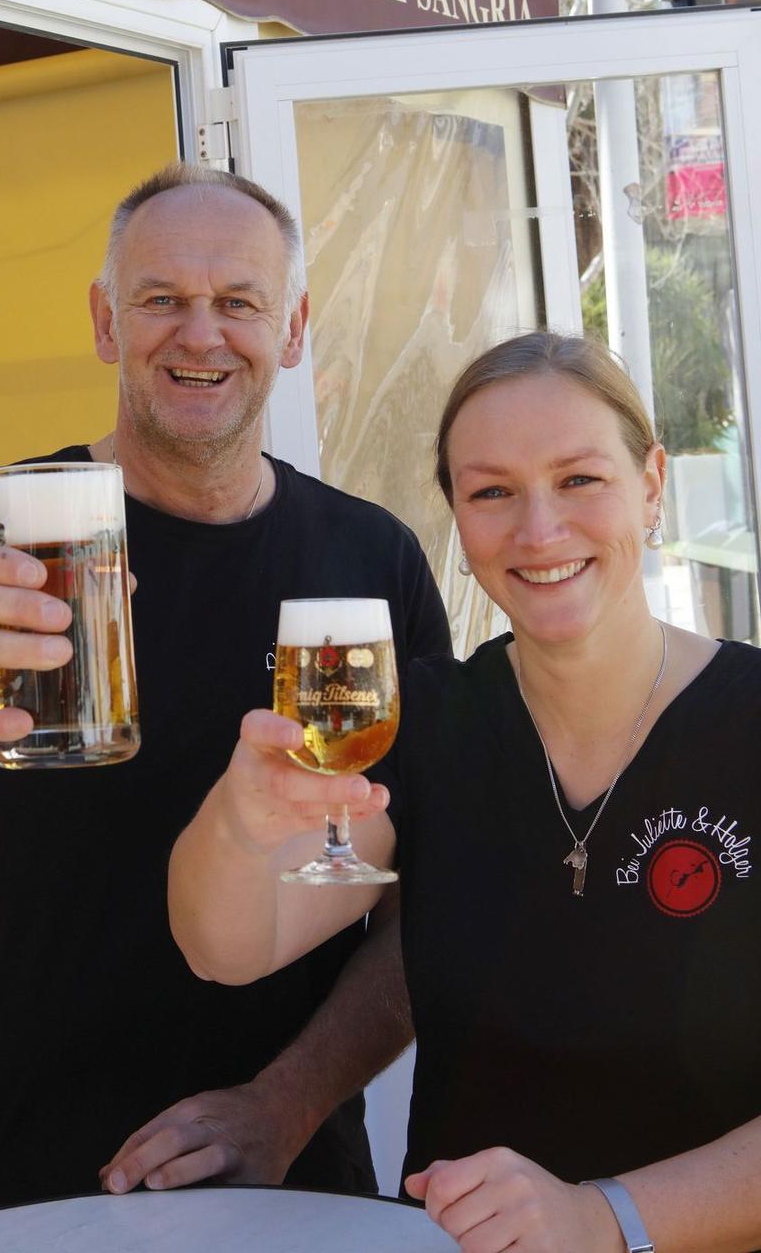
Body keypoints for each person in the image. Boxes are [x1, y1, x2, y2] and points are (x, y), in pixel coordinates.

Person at [0, 161, 452, 1210]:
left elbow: (427, 898)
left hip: (280, 1170)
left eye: (237, 303)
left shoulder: (370, 561)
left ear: (291, 330)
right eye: (161, 300)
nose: (200, 333)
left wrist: (287, 1103)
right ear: (108, 322)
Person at [170, 330, 761, 1252]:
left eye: (579, 480)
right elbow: (227, 948)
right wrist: (239, 827)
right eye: (492, 492)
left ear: (651, 484)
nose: (538, 530)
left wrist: (605, 1218)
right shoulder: (426, 720)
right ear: (456, 515)